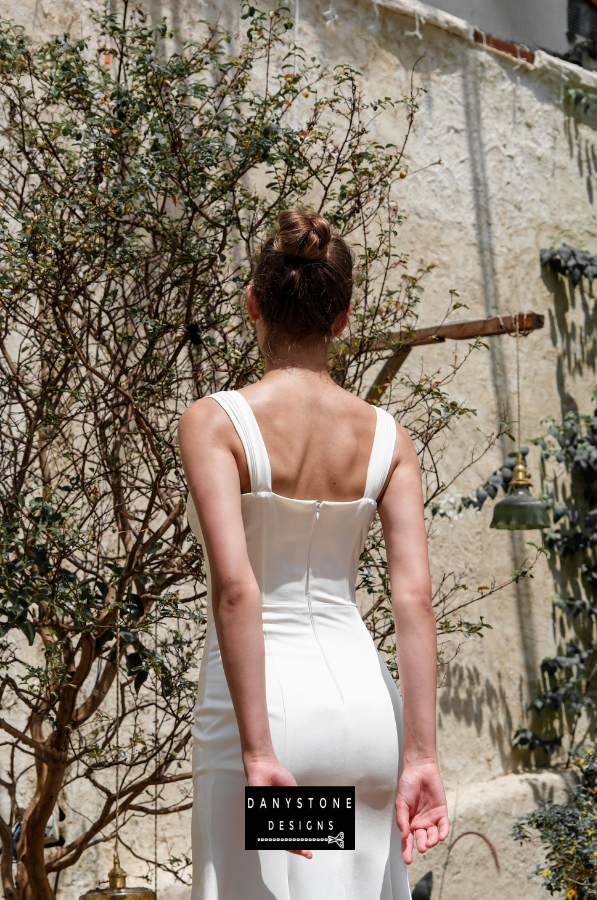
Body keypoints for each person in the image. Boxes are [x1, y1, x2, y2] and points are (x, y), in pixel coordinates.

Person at [178, 208, 449, 900]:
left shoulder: (216, 422)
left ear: (252, 305)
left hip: (268, 725)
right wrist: (422, 755)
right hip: (364, 718)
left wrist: (260, 753)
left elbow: (237, 590)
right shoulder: (389, 438)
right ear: (342, 318)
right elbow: (412, 598)